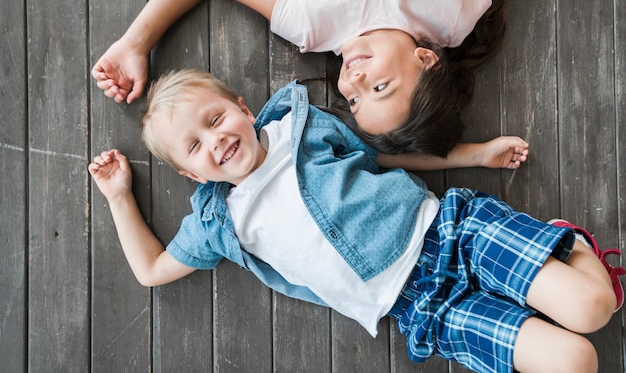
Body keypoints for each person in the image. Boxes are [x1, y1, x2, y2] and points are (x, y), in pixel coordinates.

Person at [89, 70, 624, 373]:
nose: (217, 140)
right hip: (419, 306)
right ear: (189, 174)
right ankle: (545, 267)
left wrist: (474, 155)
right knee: (576, 362)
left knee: (595, 306)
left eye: (216, 118)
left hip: (450, 232)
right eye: (196, 146)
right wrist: (118, 197)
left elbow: (385, 153)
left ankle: (567, 245)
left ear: (244, 108)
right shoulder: (219, 221)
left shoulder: (304, 127)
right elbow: (152, 269)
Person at [91, 0, 518, 157]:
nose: (354, 82)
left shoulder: (311, 24)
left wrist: (135, 43)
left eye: (353, 100)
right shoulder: (452, 20)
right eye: (381, 88)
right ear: (426, 60)